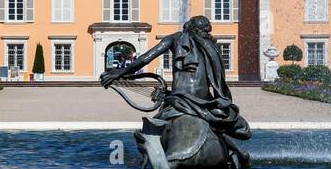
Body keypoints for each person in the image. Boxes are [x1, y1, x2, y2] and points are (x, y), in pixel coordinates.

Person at [100, 15, 250, 149]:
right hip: (206, 103)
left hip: (180, 101)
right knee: (229, 127)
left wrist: (119, 72)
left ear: (188, 27)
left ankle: (149, 151)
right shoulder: (213, 47)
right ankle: (237, 151)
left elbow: (145, 59)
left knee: (154, 127)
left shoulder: (175, 38)